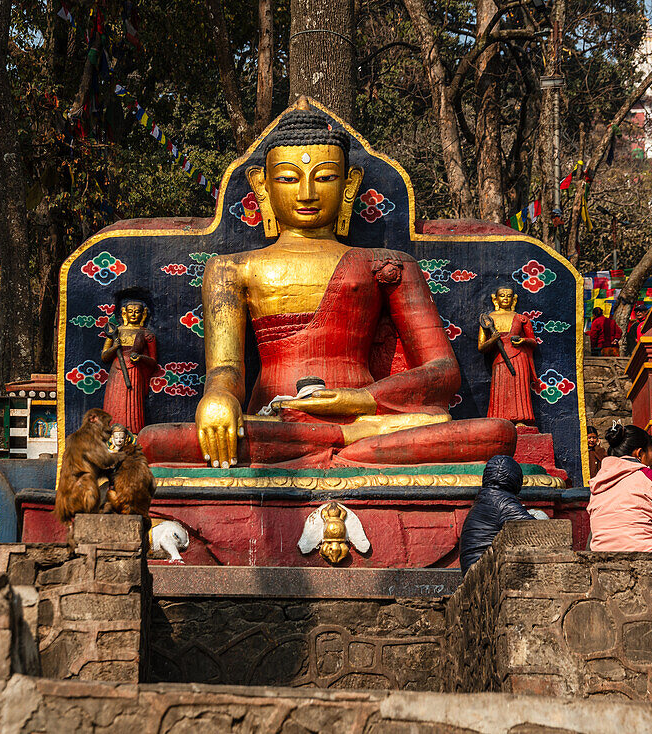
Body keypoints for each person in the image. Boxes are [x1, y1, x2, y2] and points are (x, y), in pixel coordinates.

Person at [138, 100, 516, 468]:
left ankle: (339, 441)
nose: (306, 193)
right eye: (288, 179)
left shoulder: (388, 264)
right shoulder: (231, 269)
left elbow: (442, 372)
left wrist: (360, 400)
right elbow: (226, 369)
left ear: (349, 183)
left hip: (368, 420)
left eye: (324, 177)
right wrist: (217, 398)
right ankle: (343, 448)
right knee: (156, 441)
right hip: (279, 419)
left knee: (497, 434)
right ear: (262, 186)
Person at [459, 455, 535, 571]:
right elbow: (534, 528)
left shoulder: (485, 497)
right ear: (515, 479)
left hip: (474, 568)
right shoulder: (502, 500)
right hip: (485, 572)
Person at [478, 287, 537, 426]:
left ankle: (520, 419)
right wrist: (493, 339)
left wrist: (523, 340)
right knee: (501, 390)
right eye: (502, 295)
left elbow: (533, 341)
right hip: (500, 360)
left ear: (513, 299)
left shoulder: (521, 319)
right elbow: (481, 347)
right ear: (495, 299)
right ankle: (500, 419)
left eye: (509, 296)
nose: (505, 298)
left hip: (519, 358)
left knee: (519, 390)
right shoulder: (488, 320)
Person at [101, 297, 158, 433]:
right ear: (124, 313)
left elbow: (153, 362)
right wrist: (115, 347)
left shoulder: (147, 334)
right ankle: (111, 434)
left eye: (137, 312)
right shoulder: (115, 332)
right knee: (115, 402)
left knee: (133, 405)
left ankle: (134, 434)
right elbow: (104, 356)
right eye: (130, 311)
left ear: (142, 314)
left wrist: (140, 358)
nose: (133, 314)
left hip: (134, 373)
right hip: (116, 372)